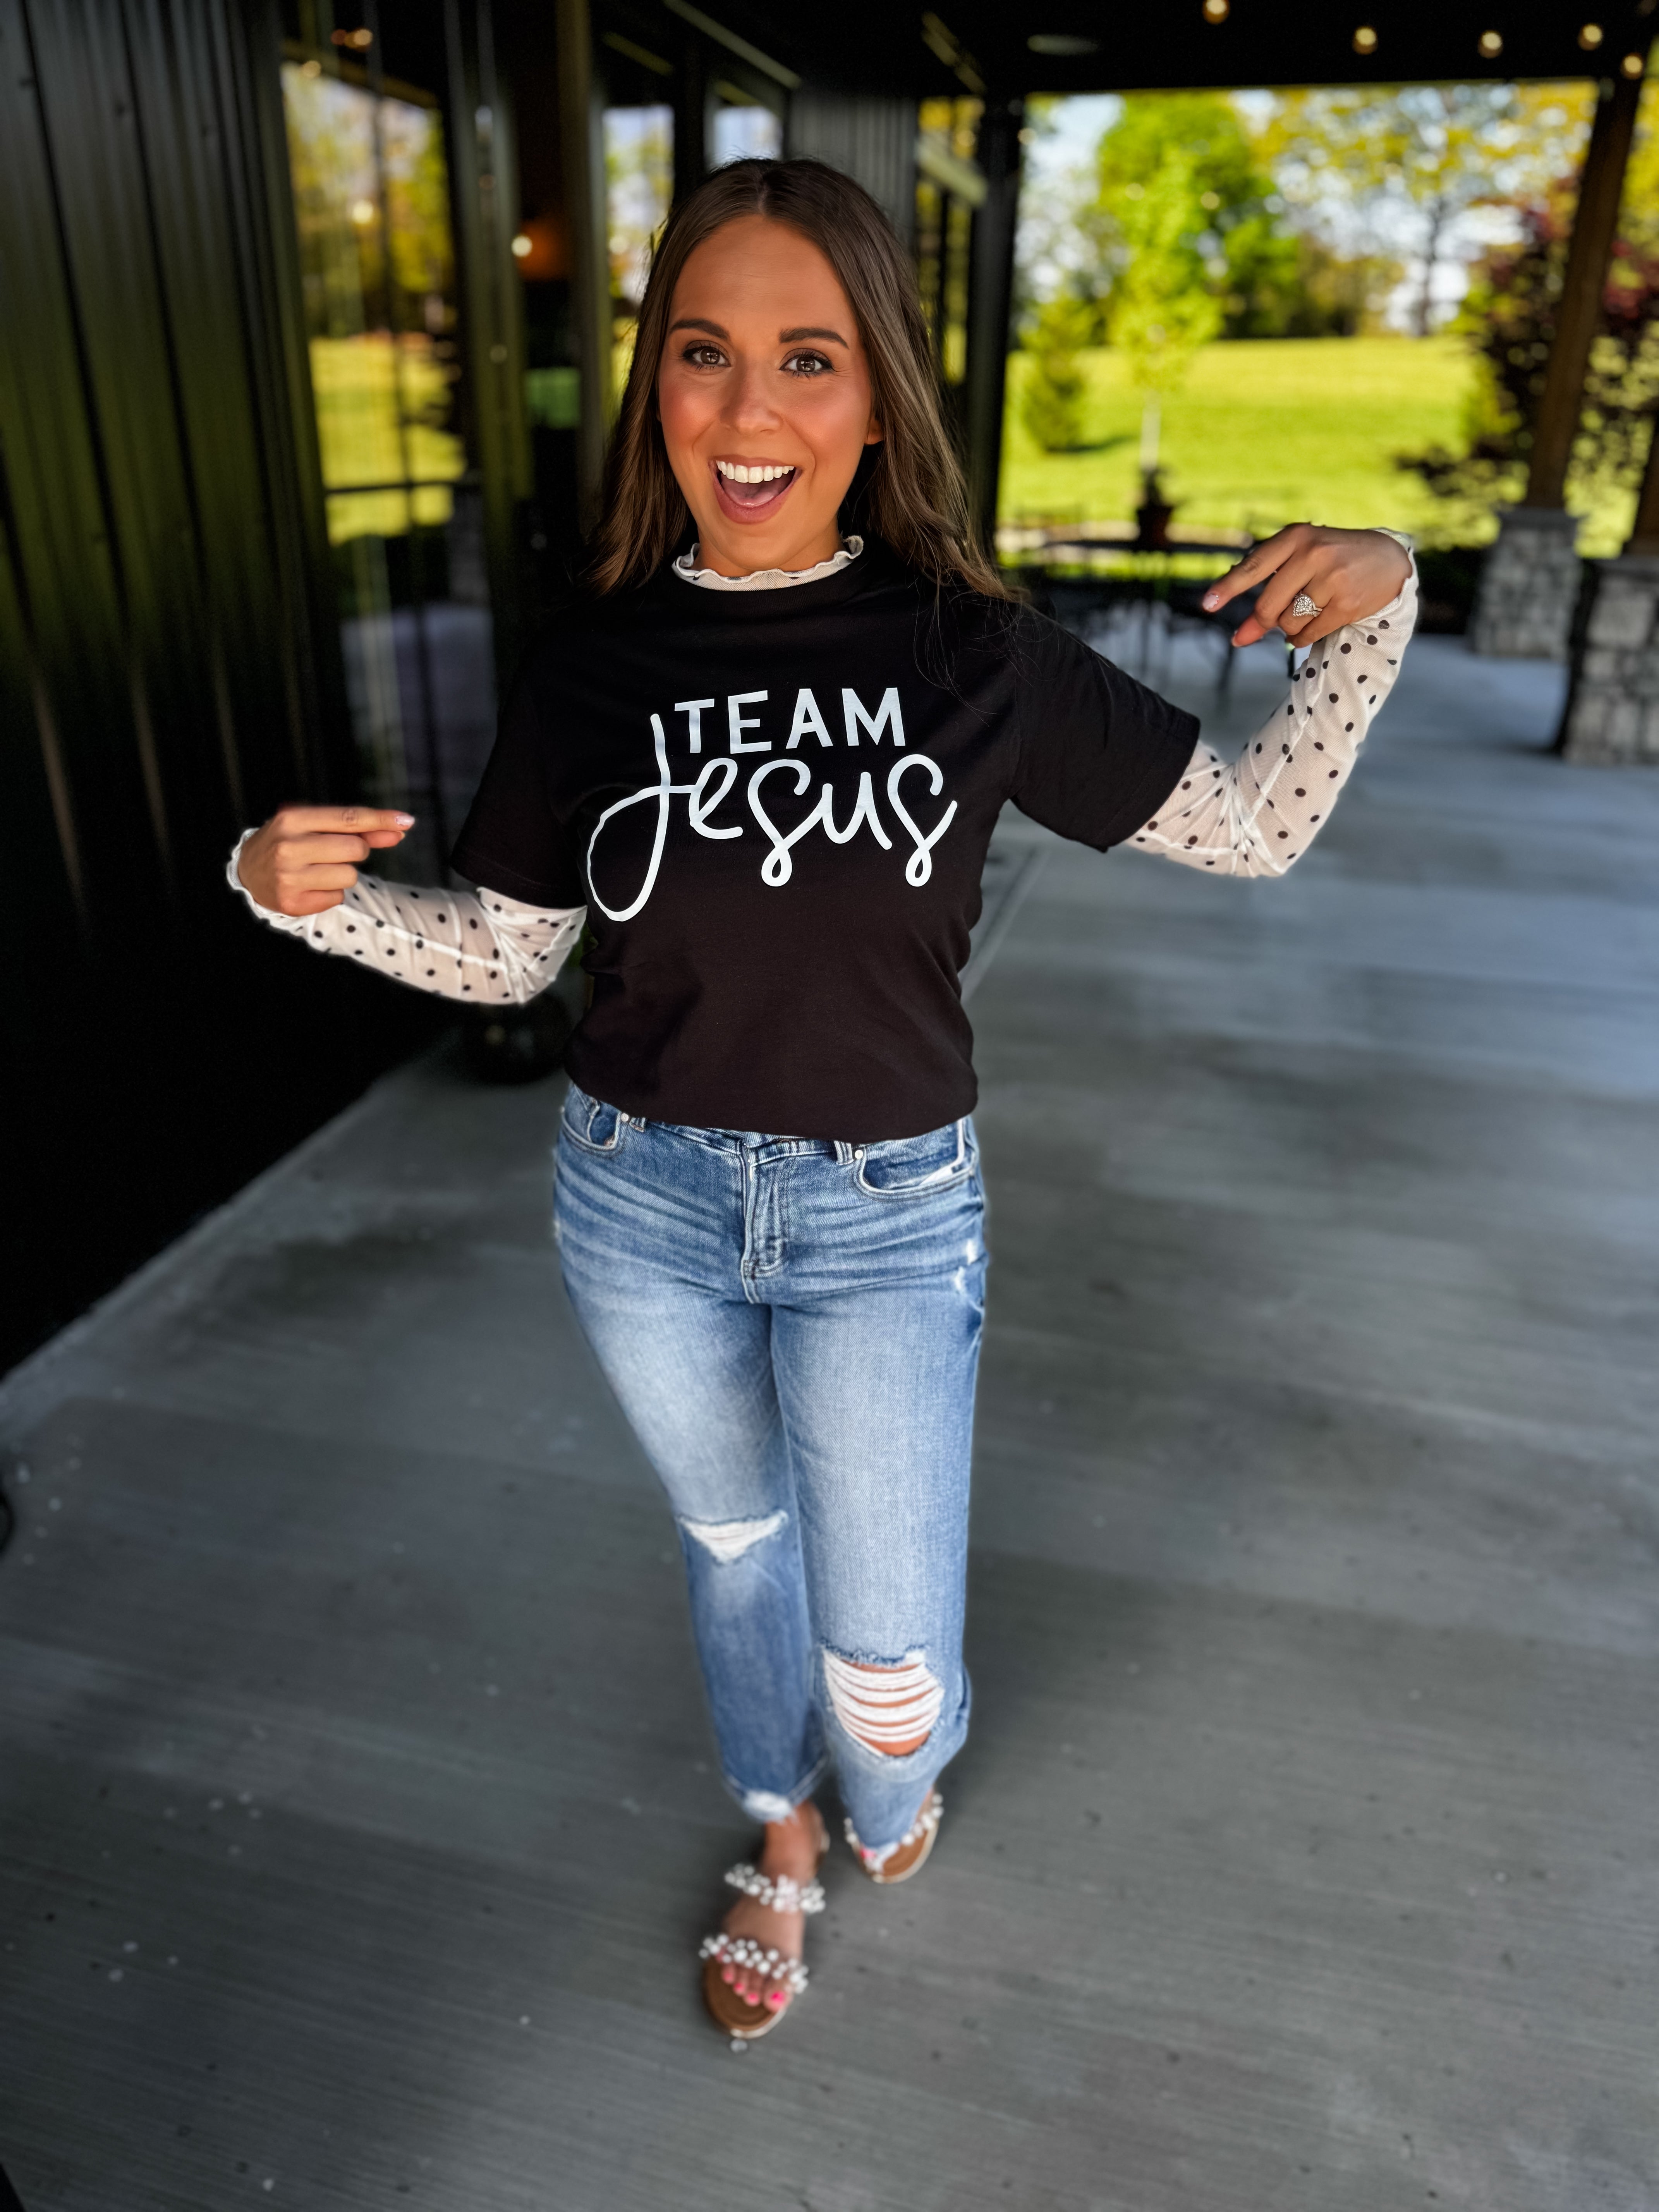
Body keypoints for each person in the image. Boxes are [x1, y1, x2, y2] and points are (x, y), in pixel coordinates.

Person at [229, 158, 1417, 2042]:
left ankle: (878, 1781)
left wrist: (1381, 608)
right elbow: (516, 956)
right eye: (705, 353)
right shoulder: (595, 663)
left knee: (888, 1664)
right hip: (639, 1204)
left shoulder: (971, 652)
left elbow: (1257, 826)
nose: (749, 410)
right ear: (658, 386)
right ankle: (777, 1829)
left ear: (879, 400)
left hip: (885, 1221)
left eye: (810, 358)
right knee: (734, 1551)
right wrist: (309, 904)